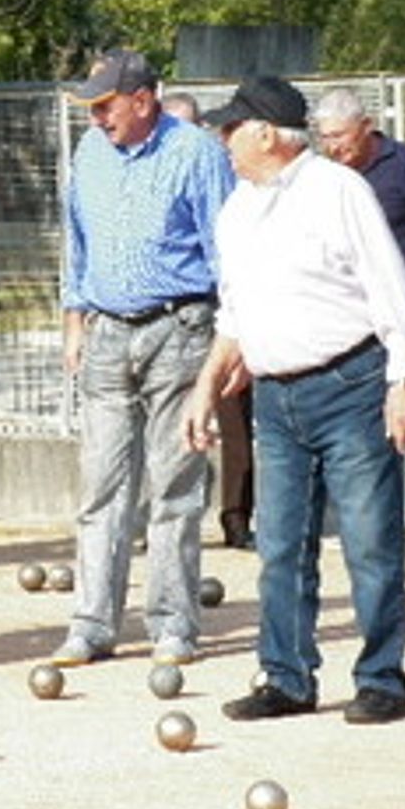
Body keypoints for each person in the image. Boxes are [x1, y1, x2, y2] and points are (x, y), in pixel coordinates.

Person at [185, 76, 405, 725]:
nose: (223, 140)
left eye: (231, 129)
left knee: (369, 542)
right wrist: (205, 387)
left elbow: (393, 289)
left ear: (266, 133)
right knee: (281, 547)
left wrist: (404, 382)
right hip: (276, 398)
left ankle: (381, 678)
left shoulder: (338, 191)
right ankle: (287, 677)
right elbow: (233, 313)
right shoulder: (237, 210)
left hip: (350, 385)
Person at [54, 49, 237, 669]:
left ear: (144, 99)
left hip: (178, 329)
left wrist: (229, 343)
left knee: (174, 482)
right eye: (92, 109)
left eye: (106, 107)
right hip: (106, 331)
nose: (97, 119)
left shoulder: (197, 153)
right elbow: (76, 242)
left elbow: (227, 253)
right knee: (101, 484)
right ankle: (92, 622)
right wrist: (74, 319)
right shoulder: (90, 154)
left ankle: (172, 622)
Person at [312, 88, 405, 555]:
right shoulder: (323, 177)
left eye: (341, 136)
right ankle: (368, 525)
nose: (334, 146)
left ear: (366, 126)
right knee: (357, 430)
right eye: (325, 137)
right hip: (349, 323)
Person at [161, 90, 256, 550]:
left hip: (225, 310)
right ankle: (166, 520)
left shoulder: (233, 177)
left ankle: (237, 519)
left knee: (234, 422)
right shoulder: (151, 176)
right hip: (174, 316)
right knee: (170, 423)